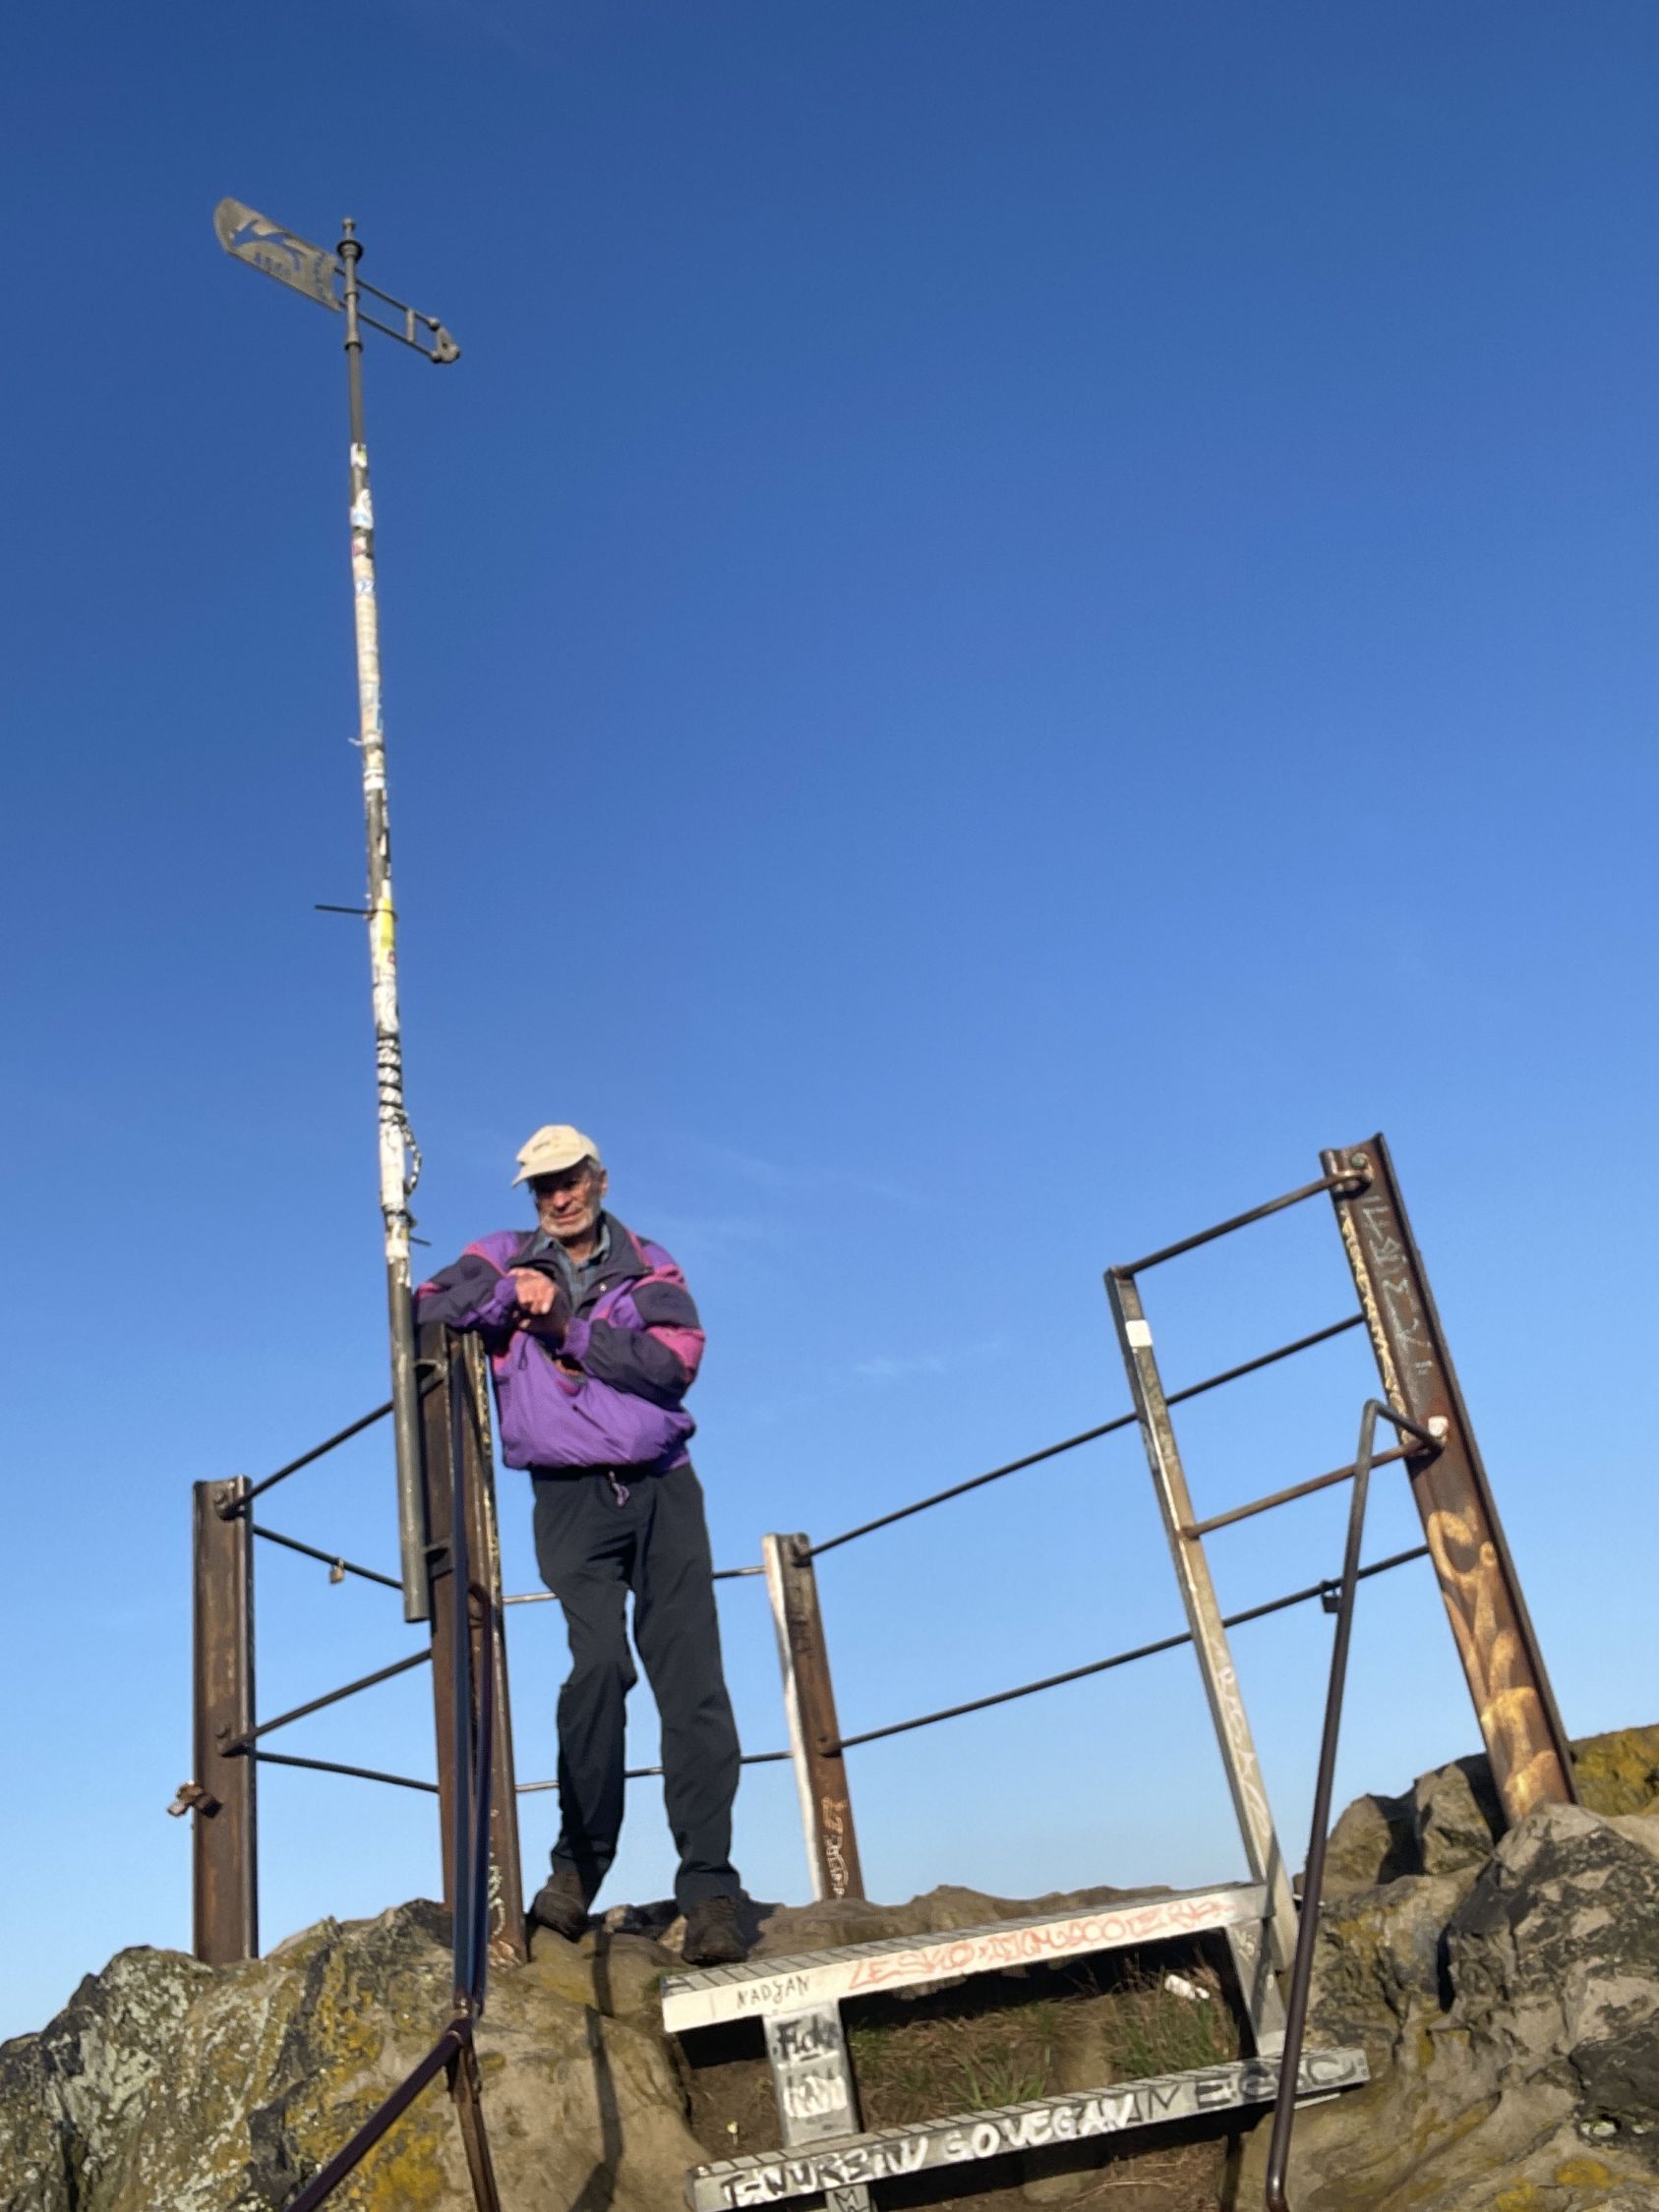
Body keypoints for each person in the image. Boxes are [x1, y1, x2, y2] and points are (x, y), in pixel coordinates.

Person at [416, 1124, 747, 1965]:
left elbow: (671, 1365)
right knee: (597, 1667)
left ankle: (709, 1889)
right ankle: (576, 1870)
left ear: (598, 1178)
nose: (557, 1197)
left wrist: (564, 1326)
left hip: (664, 1490)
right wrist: (508, 1294)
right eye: (542, 1186)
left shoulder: (650, 1265)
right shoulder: (497, 1253)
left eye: (569, 1179)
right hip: (566, 1499)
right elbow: (430, 1305)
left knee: (693, 1686)